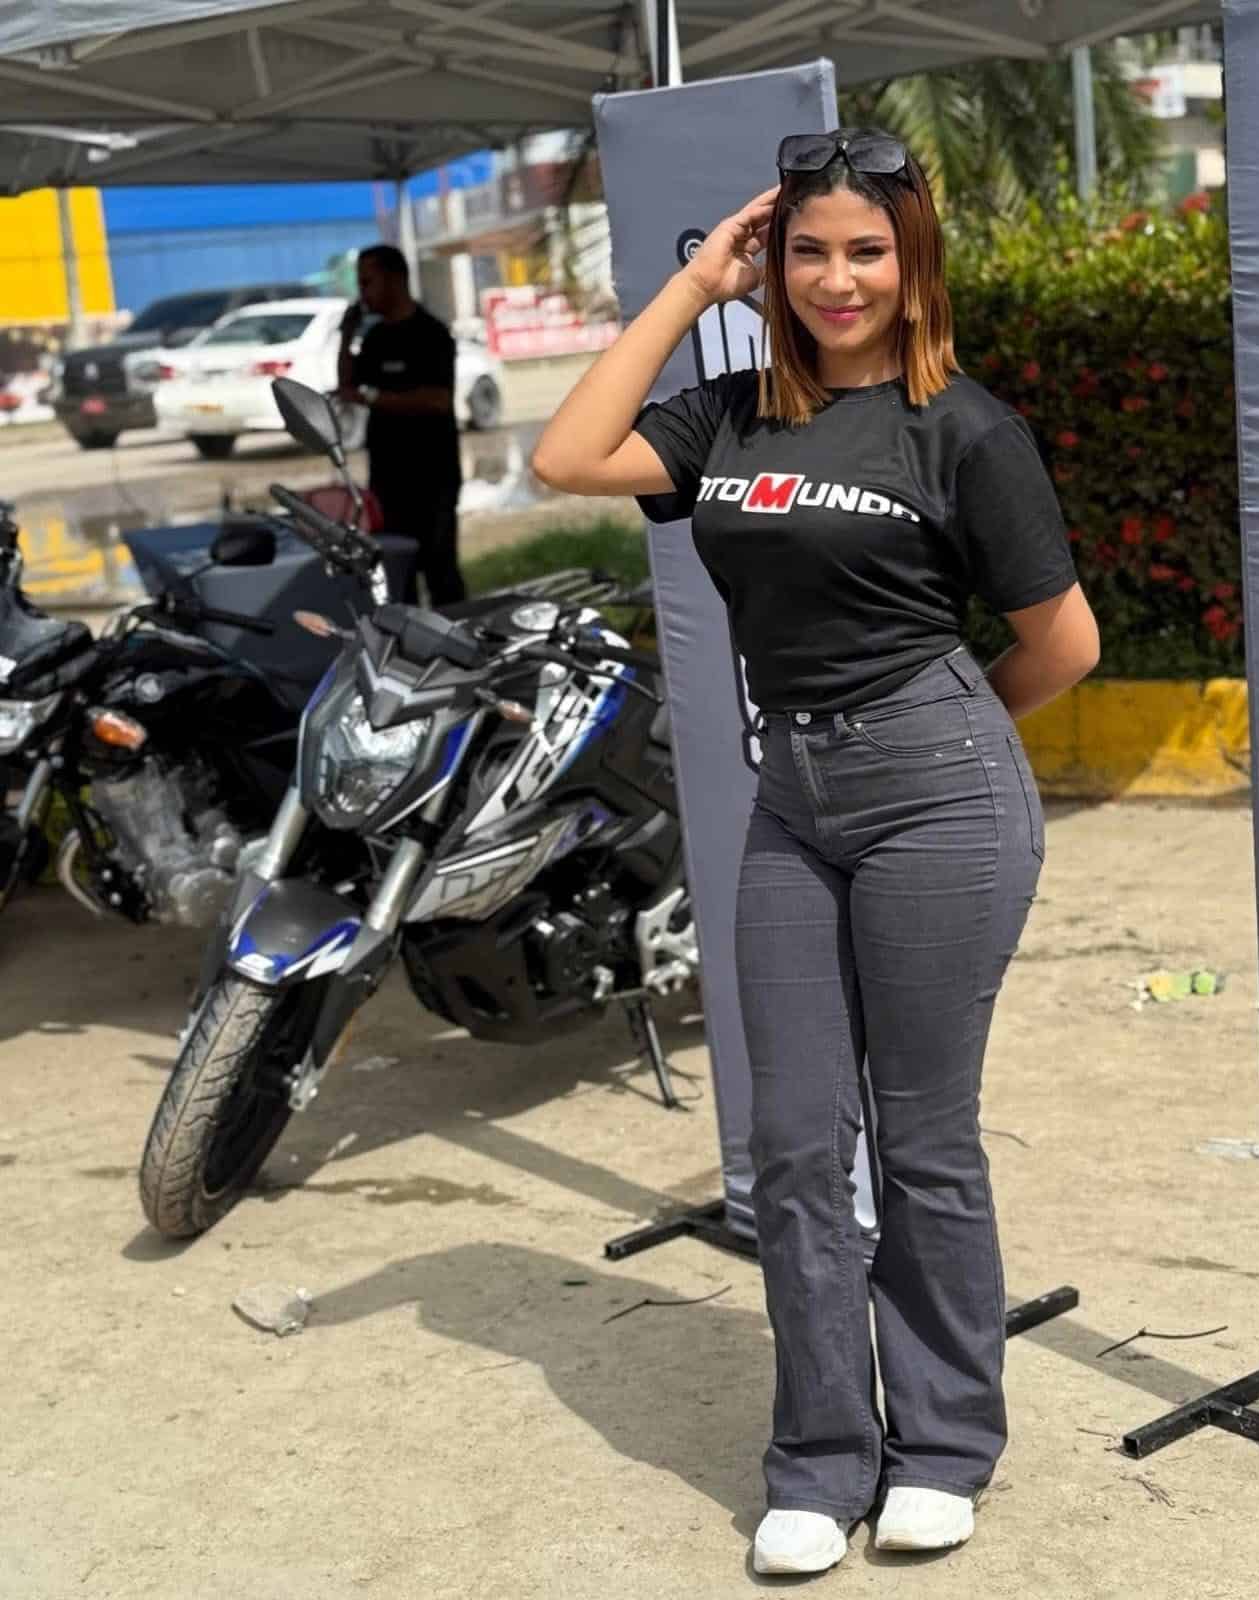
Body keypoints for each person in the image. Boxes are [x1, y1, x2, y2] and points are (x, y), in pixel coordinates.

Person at [532, 128, 1099, 1576]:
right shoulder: (730, 415)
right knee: (790, 1144)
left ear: (914, 266)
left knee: (920, 1138)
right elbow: (565, 454)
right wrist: (693, 287)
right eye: (807, 251)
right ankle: (822, 1459)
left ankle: (944, 1447)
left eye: (868, 250)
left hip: (934, 794)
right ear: (770, 265)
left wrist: (942, 736)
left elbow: (1063, 644)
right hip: (791, 800)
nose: (838, 278)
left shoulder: (964, 430)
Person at [336, 244, 465, 607]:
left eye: (368, 282)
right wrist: (346, 336)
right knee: (396, 571)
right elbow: (348, 387)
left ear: (395, 279)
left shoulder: (431, 334)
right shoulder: (375, 338)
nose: (363, 293)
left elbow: (439, 399)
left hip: (433, 475)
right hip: (388, 476)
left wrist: (376, 398)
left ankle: (454, 634)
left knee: (440, 569)